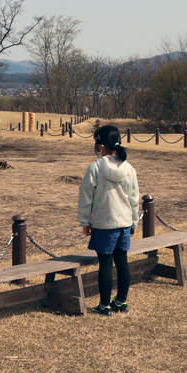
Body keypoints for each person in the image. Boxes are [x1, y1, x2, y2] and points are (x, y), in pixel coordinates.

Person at [78, 125, 140, 315]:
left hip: (104, 222)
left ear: (100, 146)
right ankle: (120, 301)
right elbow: (134, 198)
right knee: (122, 262)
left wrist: (85, 221)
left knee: (105, 264)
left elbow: (86, 195)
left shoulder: (95, 168)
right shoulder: (129, 169)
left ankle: (104, 305)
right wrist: (134, 221)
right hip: (124, 222)